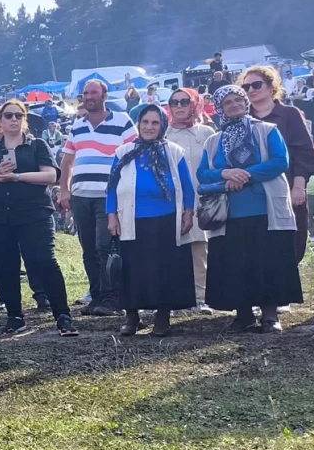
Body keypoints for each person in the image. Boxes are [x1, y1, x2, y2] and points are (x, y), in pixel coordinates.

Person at [198, 85, 302, 333]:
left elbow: (280, 162)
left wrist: (243, 176)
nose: (233, 105)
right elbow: (202, 174)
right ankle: (243, 315)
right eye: (227, 102)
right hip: (230, 213)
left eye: (238, 100)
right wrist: (226, 174)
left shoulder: (266, 130)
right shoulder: (213, 141)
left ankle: (269, 317)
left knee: (267, 262)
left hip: (265, 210)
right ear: (220, 108)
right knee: (236, 264)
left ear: (246, 103)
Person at [0, 99, 76, 336]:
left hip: (34, 214)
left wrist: (17, 177)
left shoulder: (37, 145)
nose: (14, 120)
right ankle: (15, 317)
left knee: (44, 262)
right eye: (8, 116)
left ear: (24, 119)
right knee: (5, 266)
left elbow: (50, 176)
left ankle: (63, 315)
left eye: (18, 115)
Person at [105, 104, 197, 336]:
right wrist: (111, 215)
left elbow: (187, 186)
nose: (149, 127)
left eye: (155, 123)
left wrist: (188, 211)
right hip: (131, 220)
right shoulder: (123, 152)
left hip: (166, 219)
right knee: (133, 269)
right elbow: (111, 188)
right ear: (138, 124)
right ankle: (132, 316)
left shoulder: (174, 151)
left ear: (162, 125)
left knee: (164, 268)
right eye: (145, 122)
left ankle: (162, 317)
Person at [58, 79, 136, 317]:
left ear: (105, 95)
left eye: (93, 92)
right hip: (81, 196)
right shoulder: (77, 125)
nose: (88, 97)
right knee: (88, 249)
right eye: (85, 93)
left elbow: (132, 156)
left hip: (108, 196)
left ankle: (113, 297)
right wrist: (64, 189)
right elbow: (67, 160)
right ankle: (97, 295)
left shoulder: (123, 121)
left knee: (106, 246)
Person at [242, 65, 314, 263]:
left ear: (271, 87)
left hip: (288, 193)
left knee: (290, 251)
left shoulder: (290, 114)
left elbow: (305, 153)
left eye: (256, 84)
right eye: (246, 87)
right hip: (252, 198)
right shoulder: (241, 120)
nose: (251, 90)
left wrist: (299, 187)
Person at [164, 89, 216, 313]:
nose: (179, 106)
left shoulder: (206, 132)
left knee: (199, 248)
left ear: (194, 104)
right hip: (170, 199)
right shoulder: (162, 133)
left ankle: (200, 297)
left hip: (200, 197)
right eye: (174, 102)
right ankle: (174, 298)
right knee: (171, 248)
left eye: (184, 101)